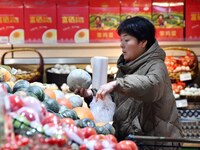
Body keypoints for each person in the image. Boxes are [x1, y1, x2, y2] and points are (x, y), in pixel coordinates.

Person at [75, 16, 183, 149]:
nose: (121, 44)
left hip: (155, 143)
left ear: (143, 42)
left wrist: (117, 84)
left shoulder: (156, 65)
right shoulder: (127, 67)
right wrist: (91, 95)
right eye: (121, 40)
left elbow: (152, 86)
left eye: (127, 40)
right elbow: (119, 101)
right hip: (134, 141)